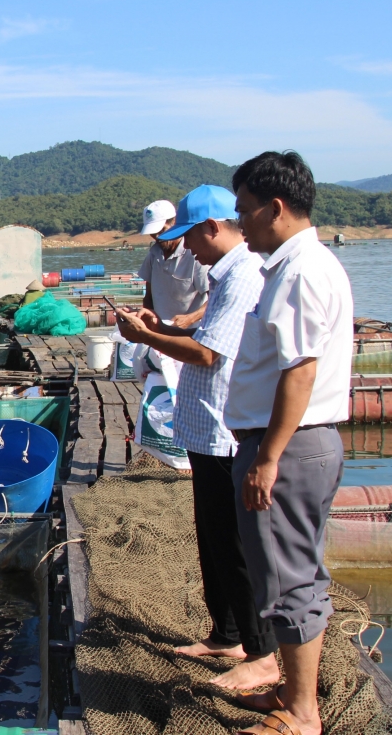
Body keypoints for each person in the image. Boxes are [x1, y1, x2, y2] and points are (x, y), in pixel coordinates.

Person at [114, 185, 278, 690]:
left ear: (212, 228)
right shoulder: (222, 271)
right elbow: (199, 343)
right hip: (204, 427)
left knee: (235, 542)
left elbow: (210, 354)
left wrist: (148, 336)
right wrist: (158, 325)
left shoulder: (242, 275)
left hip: (226, 427)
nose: (188, 249)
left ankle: (260, 650)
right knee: (211, 537)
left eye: (191, 237)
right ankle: (224, 632)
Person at [226, 151, 354, 735]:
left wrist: (269, 457)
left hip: (290, 446)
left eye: (245, 210)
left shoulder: (300, 271)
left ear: (275, 209)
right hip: (298, 443)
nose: (240, 221)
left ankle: (302, 715)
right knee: (295, 569)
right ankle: (292, 690)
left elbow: (299, 370)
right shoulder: (298, 265)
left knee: (288, 579)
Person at [138, 199, 210, 328]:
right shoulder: (153, 256)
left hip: (190, 333)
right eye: (153, 233)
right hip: (161, 331)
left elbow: (214, 298)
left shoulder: (194, 255)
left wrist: (190, 318)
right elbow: (149, 297)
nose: (157, 237)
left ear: (175, 223)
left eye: (162, 231)